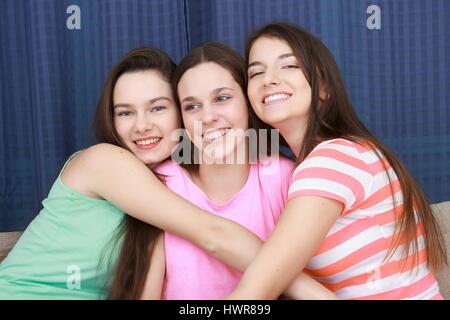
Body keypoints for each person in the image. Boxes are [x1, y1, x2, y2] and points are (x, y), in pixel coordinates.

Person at [0, 46, 333, 300]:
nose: (142, 125)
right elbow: (214, 234)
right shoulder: (105, 162)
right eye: (125, 112)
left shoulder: (162, 182)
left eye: (157, 107)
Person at [228, 22, 447, 300]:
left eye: (289, 66)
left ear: (324, 88)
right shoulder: (344, 153)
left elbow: (256, 291)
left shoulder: (334, 160)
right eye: (256, 72)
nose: (268, 79)